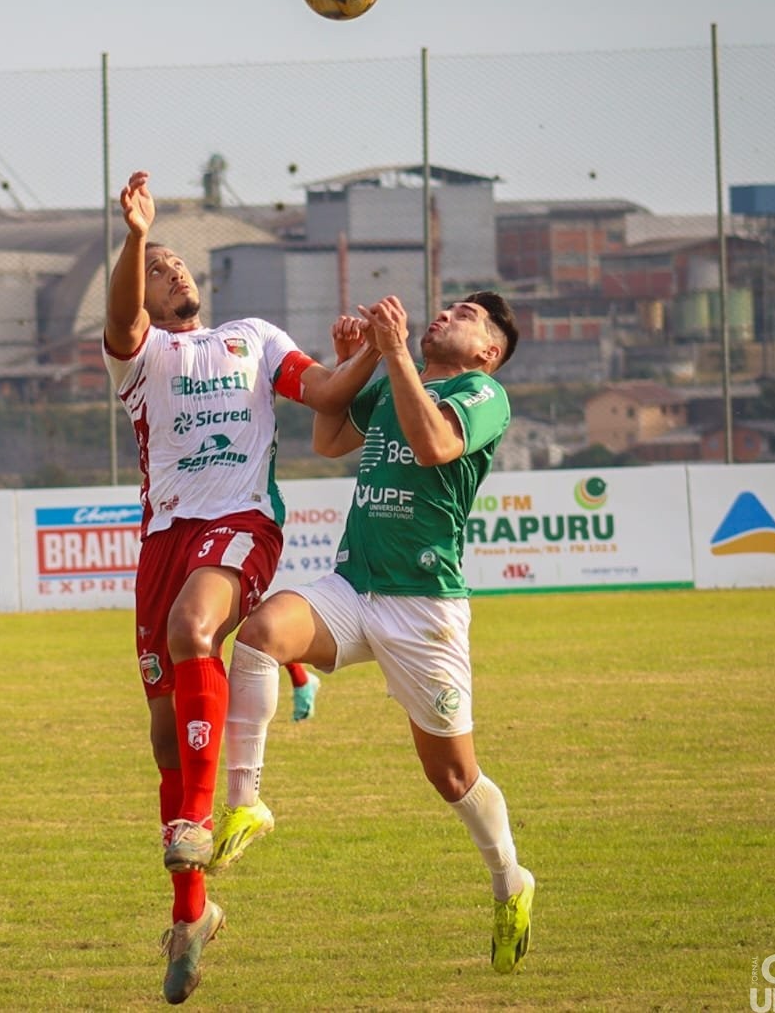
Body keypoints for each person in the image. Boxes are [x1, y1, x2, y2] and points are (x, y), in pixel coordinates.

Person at [104, 169, 378, 1004]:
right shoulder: (141, 353)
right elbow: (119, 318)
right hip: (164, 541)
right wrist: (134, 237)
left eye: (178, 262)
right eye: (159, 266)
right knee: (162, 735)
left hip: (243, 525)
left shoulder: (254, 337)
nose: (172, 270)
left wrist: (372, 346)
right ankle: (193, 913)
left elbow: (328, 391)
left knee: (196, 631)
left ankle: (198, 826)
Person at [214, 290, 537, 975]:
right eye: (446, 306)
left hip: (424, 609)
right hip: (353, 587)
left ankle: (510, 878)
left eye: (465, 316)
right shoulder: (398, 381)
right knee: (261, 632)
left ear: (488, 352)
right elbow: (329, 438)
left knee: (450, 775)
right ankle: (245, 802)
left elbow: (434, 445)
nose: (445, 313)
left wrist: (390, 355)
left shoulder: (483, 395)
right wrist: (353, 359)